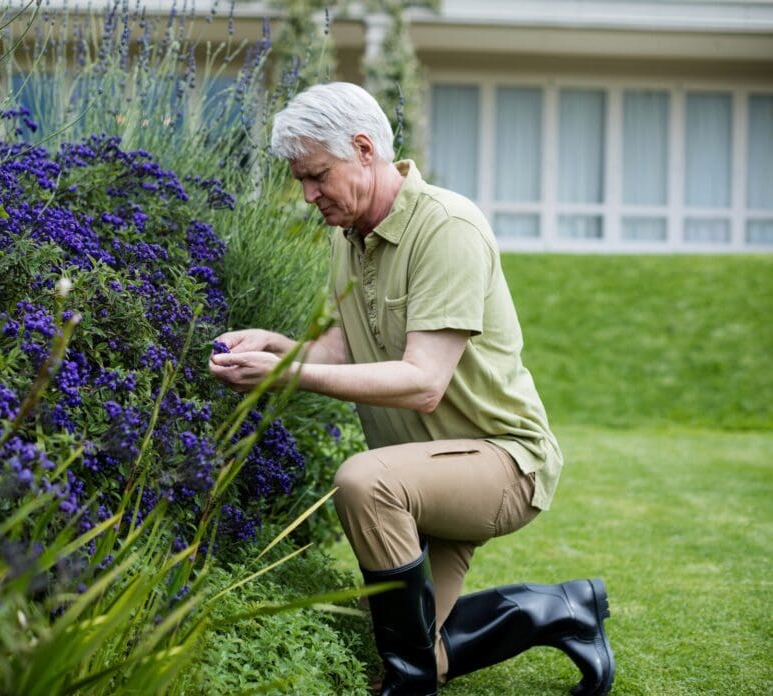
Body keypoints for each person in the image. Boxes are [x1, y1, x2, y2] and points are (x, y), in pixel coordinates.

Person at [208, 82, 614, 696]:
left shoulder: (447, 228)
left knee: (362, 481)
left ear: (364, 149)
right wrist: (272, 344)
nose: (308, 194)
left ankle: (413, 682)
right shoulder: (347, 239)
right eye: (300, 180)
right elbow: (338, 353)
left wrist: (287, 373)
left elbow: (424, 383)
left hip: (500, 462)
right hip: (419, 477)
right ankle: (565, 609)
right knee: (417, 653)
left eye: (317, 175)